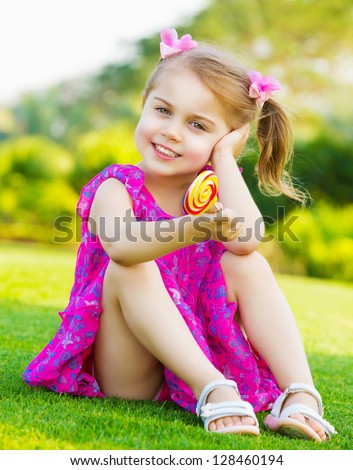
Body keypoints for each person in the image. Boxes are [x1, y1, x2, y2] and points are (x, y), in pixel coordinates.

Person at [23, 28, 336, 442]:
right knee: (129, 267)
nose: (172, 131)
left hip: (190, 358)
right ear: (143, 106)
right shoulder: (116, 187)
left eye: (198, 125)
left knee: (247, 263)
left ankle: (300, 392)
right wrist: (198, 226)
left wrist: (224, 158)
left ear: (225, 138)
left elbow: (245, 241)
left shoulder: (214, 185)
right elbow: (121, 245)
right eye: (163, 110)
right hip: (131, 373)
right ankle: (214, 388)